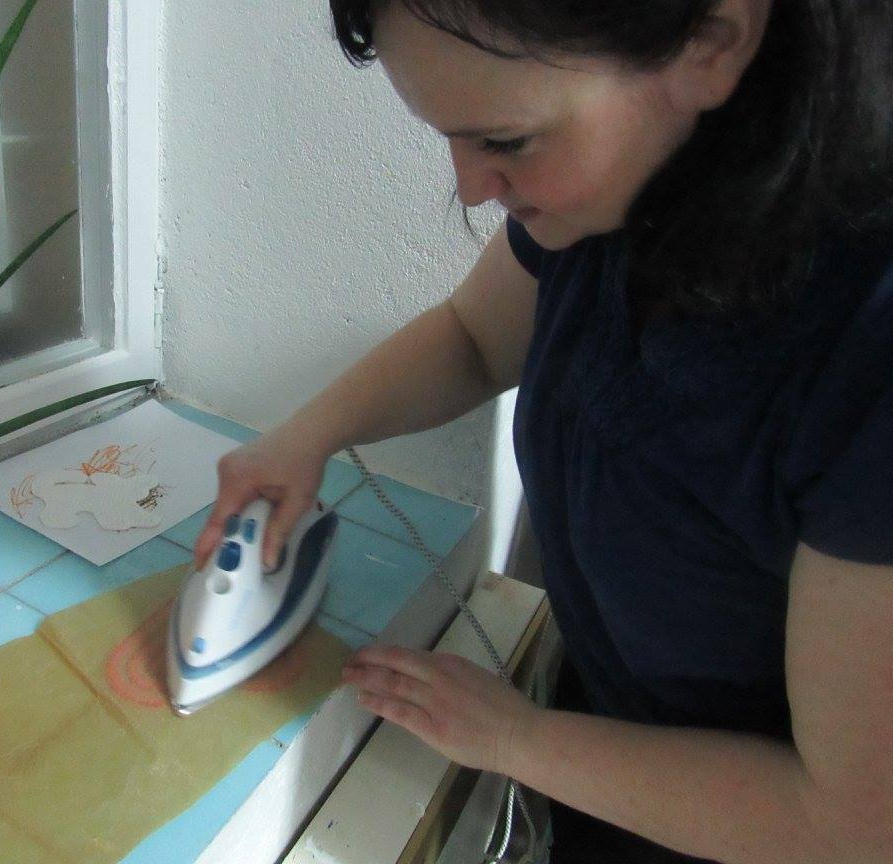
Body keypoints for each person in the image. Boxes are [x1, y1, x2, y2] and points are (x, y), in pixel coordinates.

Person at [193, 1, 893, 861]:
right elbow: (473, 339)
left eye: (508, 141)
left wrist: (513, 739)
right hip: (605, 761)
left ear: (712, 41)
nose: (470, 188)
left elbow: (854, 823)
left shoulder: (866, 348)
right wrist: (306, 435)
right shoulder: (616, 196)